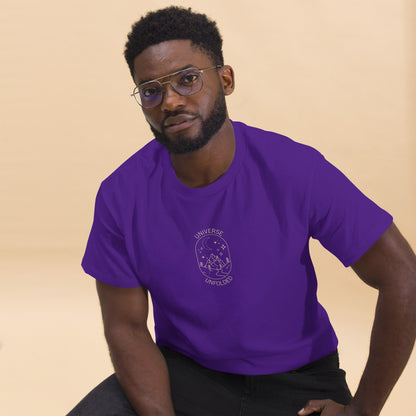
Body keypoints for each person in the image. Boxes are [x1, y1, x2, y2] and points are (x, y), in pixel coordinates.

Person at [67, 6, 416, 416]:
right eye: (150, 90)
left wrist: (362, 411)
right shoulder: (120, 195)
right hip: (185, 374)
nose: (171, 101)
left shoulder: (293, 169)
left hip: (298, 381)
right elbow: (125, 325)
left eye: (187, 79)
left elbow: (402, 276)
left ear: (225, 79)